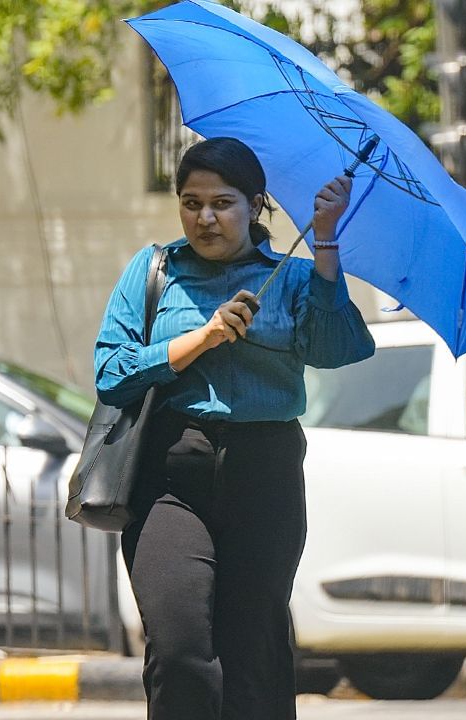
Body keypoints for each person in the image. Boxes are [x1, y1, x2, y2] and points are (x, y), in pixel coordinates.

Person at [95, 137, 375, 720]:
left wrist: (325, 240)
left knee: (255, 651)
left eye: (222, 202)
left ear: (255, 205)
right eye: (190, 202)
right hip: (171, 474)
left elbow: (340, 347)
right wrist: (198, 338)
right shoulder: (154, 272)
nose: (205, 217)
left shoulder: (294, 280)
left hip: (264, 470)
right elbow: (110, 374)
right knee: (179, 650)